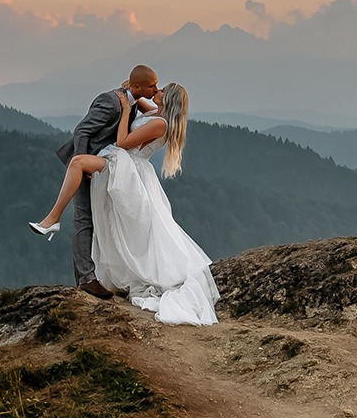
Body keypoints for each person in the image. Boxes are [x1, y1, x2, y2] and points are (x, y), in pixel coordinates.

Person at [31, 81, 219, 326]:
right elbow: (135, 99)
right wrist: (130, 91)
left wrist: (124, 113)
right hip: (123, 165)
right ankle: (53, 220)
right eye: (155, 87)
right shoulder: (155, 113)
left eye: (161, 90)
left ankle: (53, 219)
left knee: (77, 163)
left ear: (168, 99)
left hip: (128, 168)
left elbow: (123, 142)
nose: (157, 91)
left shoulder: (160, 124)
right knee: (94, 194)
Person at [40, 66, 159, 298]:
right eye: (152, 85)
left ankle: (88, 278)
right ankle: (87, 279)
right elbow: (82, 131)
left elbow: (151, 108)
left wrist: (133, 95)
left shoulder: (131, 101)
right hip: (88, 166)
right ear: (137, 86)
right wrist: (83, 164)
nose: (156, 88)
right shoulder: (112, 102)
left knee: (97, 220)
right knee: (85, 218)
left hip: (106, 167)